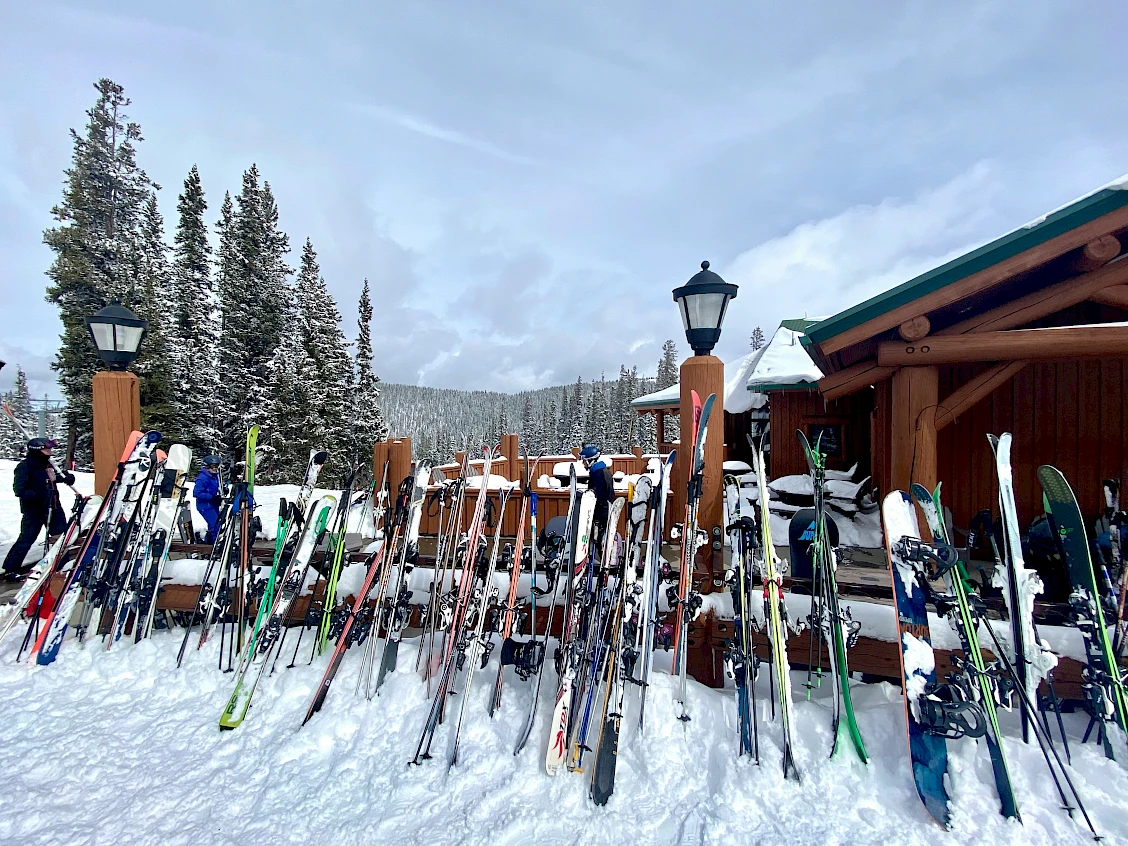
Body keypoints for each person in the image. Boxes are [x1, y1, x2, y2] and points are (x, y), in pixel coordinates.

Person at [3, 438, 75, 580]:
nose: (49, 452)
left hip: (54, 507)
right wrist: (38, 494)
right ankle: (11, 569)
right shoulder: (25, 467)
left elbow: (56, 477)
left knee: (61, 538)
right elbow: (19, 490)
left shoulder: (47, 465)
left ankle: (63, 566)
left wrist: (67, 478)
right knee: (27, 538)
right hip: (35, 510)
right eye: (46, 449)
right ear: (37, 451)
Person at [579, 444, 614, 546]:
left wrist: (598, 518)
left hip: (601, 515)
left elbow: (601, 496)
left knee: (599, 544)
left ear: (591, 460)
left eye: (584, 460)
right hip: (601, 513)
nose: (583, 463)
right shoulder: (598, 472)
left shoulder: (599, 474)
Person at [193, 456, 224, 543]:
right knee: (215, 526)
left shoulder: (214, 476)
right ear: (207, 466)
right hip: (205, 506)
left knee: (215, 526)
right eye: (213, 466)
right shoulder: (202, 478)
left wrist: (223, 490)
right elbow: (196, 493)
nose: (215, 469)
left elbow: (215, 487)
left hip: (213, 505)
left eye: (217, 466)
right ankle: (214, 546)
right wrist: (211, 497)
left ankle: (209, 545)